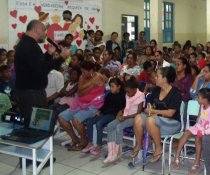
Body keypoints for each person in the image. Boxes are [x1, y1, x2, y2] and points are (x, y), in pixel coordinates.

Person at [14, 19, 68, 127]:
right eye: (44, 30)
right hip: (31, 93)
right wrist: (62, 58)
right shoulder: (30, 46)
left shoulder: (26, 43)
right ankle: (34, 142)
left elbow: (36, 65)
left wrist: (48, 54)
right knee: (38, 125)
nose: (45, 33)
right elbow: (42, 69)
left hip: (28, 91)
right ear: (36, 30)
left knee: (36, 123)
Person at [131, 67, 182, 161]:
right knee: (138, 117)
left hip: (171, 123)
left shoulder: (175, 93)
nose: (155, 78)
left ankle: (158, 148)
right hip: (155, 120)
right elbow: (149, 107)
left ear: (164, 78)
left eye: (157, 76)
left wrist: (153, 112)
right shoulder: (155, 90)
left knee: (150, 120)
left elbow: (170, 113)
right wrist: (149, 110)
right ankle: (139, 144)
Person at [58, 61, 105, 151]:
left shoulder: (99, 77)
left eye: (84, 71)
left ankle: (84, 141)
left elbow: (81, 90)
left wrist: (84, 88)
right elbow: (79, 92)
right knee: (61, 118)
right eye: (82, 71)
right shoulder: (83, 77)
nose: (82, 74)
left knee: (75, 119)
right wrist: (91, 83)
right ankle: (75, 139)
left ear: (91, 70)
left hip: (94, 105)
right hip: (80, 103)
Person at [103, 77, 145, 163]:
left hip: (135, 118)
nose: (127, 94)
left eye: (129, 92)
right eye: (126, 91)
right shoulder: (127, 94)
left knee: (119, 127)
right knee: (110, 125)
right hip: (125, 116)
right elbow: (125, 107)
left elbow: (138, 113)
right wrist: (120, 112)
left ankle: (118, 152)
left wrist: (125, 117)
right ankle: (111, 152)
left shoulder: (140, 95)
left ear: (134, 89)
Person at [82, 77, 125, 156]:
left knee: (99, 123)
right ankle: (90, 143)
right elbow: (105, 105)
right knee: (89, 122)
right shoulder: (109, 95)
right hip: (104, 113)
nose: (111, 88)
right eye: (110, 86)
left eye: (113, 86)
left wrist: (120, 112)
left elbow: (122, 108)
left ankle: (99, 145)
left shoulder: (122, 96)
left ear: (119, 86)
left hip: (113, 115)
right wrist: (99, 111)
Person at [173, 88, 210, 175]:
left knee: (197, 138)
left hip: (206, 129)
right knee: (186, 133)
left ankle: (197, 163)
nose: (197, 99)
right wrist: (197, 125)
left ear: (205, 99)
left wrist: (202, 130)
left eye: (199, 97)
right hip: (199, 126)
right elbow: (199, 116)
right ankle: (177, 157)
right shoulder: (201, 106)